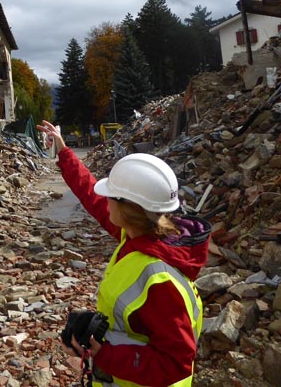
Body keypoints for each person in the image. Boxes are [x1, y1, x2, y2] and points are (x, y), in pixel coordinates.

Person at [37, 120, 211, 387]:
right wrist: (64, 152)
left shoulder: (160, 281)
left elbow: (176, 362)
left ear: (128, 208)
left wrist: (103, 354)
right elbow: (90, 193)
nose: (104, 200)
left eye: (111, 196)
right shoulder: (142, 235)